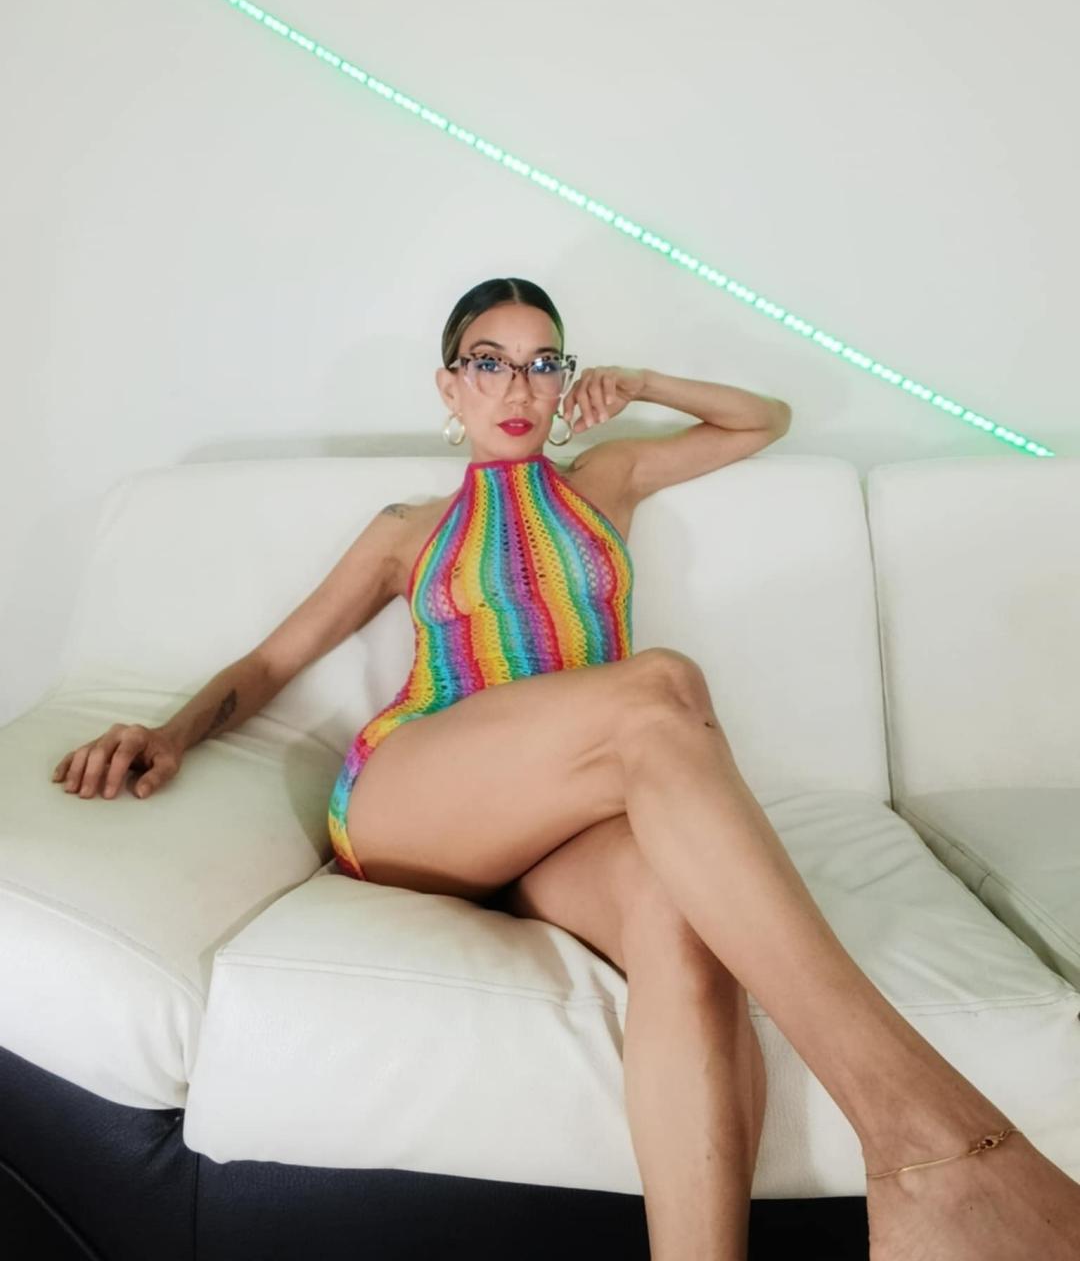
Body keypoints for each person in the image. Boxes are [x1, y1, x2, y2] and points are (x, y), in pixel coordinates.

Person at [52, 277, 1080, 1260]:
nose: (518, 385)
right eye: (488, 362)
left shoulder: (606, 480)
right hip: (420, 797)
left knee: (682, 923)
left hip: (569, 823)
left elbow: (761, 420)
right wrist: (171, 734)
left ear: (565, 384)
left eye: (544, 364)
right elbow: (274, 662)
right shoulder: (407, 532)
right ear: (449, 386)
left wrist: (644, 384)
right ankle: (927, 1142)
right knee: (661, 685)